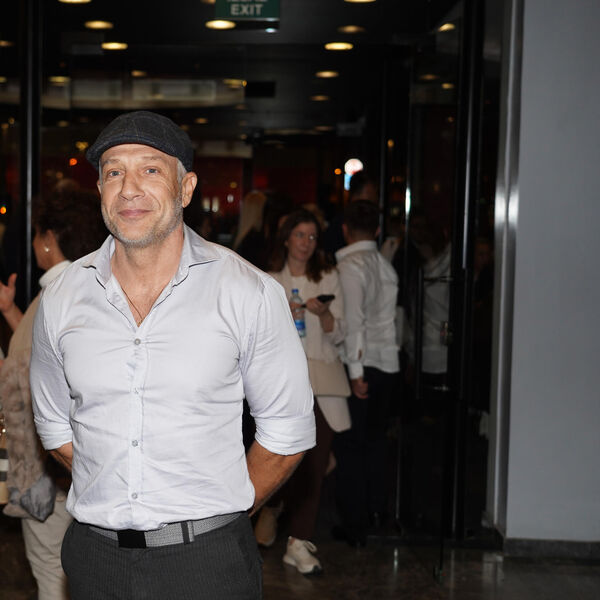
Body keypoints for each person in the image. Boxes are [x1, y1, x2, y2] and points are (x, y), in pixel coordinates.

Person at [29, 110, 315, 600]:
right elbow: (54, 425)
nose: (129, 189)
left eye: (150, 170)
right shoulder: (61, 297)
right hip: (96, 561)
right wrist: (116, 485)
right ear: (99, 189)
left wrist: (216, 514)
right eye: (114, 172)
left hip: (208, 565)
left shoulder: (247, 292)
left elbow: (287, 432)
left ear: (186, 189)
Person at [0, 184, 107, 600]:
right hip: (76, 466)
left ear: (48, 240)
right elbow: (46, 354)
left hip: (53, 468)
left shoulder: (58, 294)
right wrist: (10, 311)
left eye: (36, 234)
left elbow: (37, 374)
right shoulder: (84, 288)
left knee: (51, 570)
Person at [261, 209, 351, 575]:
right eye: (300, 235)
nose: (306, 243)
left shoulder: (328, 277)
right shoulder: (269, 281)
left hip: (323, 381)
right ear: (286, 238)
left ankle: (297, 541)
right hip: (283, 382)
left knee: (316, 462)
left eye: (312, 237)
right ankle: (275, 505)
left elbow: (341, 332)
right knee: (288, 460)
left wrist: (323, 315)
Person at [333, 200, 399, 547]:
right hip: (387, 362)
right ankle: (376, 512)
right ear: (376, 230)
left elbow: (354, 323)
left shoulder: (351, 266)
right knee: (374, 443)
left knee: (352, 446)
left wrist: (356, 372)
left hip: (363, 363)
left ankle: (356, 524)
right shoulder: (384, 265)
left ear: (345, 229)